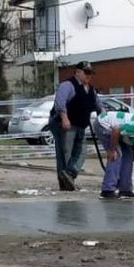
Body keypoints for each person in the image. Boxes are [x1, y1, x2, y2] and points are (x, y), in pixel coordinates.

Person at [51, 61, 101, 191]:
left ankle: (69, 175)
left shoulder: (91, 90)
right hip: (65, 124)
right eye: (87, 73)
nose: (89, 76)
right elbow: (59, 102)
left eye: (90, 73)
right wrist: (64, 118)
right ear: (78, 72)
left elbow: (99, 106)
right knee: (66, 153)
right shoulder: (67, 85)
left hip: (80, 125)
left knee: (81, 152)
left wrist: (104, 119)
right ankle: (65, 183)